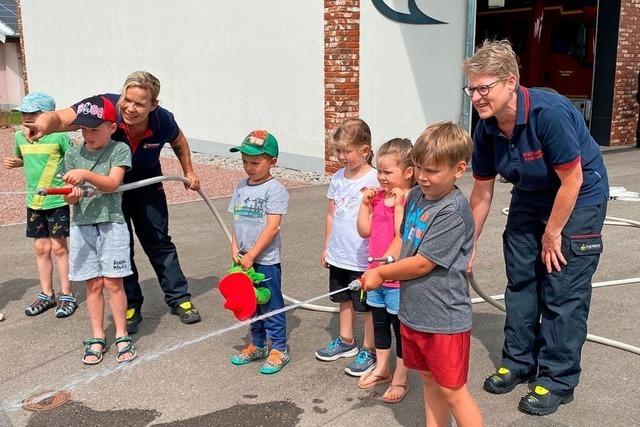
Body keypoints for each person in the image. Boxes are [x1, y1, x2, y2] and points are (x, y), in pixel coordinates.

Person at [464, 40, 608, 416]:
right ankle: (519, 362)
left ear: (510, 82)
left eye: (484, 88)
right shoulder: (487, 129)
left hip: (579, 193)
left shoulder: (549, 112)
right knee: (522, 280)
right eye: (471, 88)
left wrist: (553, 232)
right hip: (532, 195)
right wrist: (466, 244)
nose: (476, 97)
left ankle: (558, 380)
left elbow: (572, 180)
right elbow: (481, 192)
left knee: (562, 286)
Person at [23, 71, 202, 334]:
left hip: (145, 183)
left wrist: (189, 171)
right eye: (127, 100)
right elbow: (61, 117)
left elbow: (178, 140)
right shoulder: (104, 107)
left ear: (154, 104)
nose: (130, 108)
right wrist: (43, 125)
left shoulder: (163, 120)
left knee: (158, 240)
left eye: (140, 104)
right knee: (119, 245)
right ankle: (130, 305)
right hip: (106, 186)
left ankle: (179, 299)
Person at [360, 122, 483, 427]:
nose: (423, 177)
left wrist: (383, 273)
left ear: (459, 168)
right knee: (430, 382)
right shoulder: (415, 196)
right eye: (417, 168)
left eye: (432, 170)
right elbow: (404, 239)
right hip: (414, 313)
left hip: (444, 320)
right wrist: (382, 263)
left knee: (453, 391)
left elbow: (422, 264)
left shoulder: (452, 211)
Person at [62, 95, 136, 365]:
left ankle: (121, 334)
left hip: (111, 224)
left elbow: (113, 183)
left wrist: (85, 176)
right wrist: (72, 194)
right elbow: (70, 198)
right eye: (84, 129)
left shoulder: (118, 150)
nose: (88, 134)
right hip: (81, 226)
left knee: (113, 283)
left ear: (112, 127)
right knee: (93, 284)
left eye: (95, 129)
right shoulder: (72, 154)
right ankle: (96, 336)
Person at [315, 118, 379, 377]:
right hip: (339, 253)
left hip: (363, 257)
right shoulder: (338, 177)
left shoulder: (375, 179)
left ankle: (369, 349)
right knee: (343, 298)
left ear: (365, 151)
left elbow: (382, 220)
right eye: (337, 150)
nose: (341, 156)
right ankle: (345, 341)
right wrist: (327, 246)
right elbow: (331, 213)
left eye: (346, 151)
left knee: (367, 306)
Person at [3, 93, 76, 318]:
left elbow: (74, 161)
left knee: (59, 248)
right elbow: (23, 158)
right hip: (33, 201)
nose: (26, 117)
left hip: (55, 200)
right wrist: (16, 162)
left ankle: (67, 294)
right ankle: (46, 294)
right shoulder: (19, 137)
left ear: (47, 115)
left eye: (32, 113)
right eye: (23, 113)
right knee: (41, 248)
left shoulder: (60, 137)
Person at [227, 130, 290, 374]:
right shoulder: (241, 186)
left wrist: (252, 254)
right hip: (244, 260)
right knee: (250, 303)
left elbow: (273, 227)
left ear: (272, 162)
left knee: (271, 303)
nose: (248, 168)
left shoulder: (275, 190)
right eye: (244, 162)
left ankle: (279, 348)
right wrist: (235, 249)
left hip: (265, 260)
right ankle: (258, 343)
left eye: (255, 162)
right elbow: (236, 221)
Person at [355, 138, 413, 403]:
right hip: (374, 276)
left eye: (388, 172)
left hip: (397, 281)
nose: (381, 177)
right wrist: (364, 205)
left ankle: (401, 377)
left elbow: (404, 237)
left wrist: (399, 206)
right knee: (379, 325)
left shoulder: (411, 199)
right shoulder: (377, 197)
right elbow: (364, 231)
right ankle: (382, 367)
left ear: (408, 172)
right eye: (379, 171)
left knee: (400, 329)